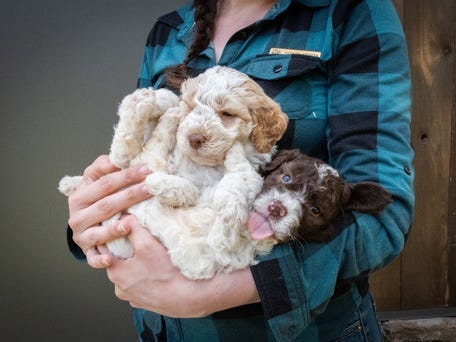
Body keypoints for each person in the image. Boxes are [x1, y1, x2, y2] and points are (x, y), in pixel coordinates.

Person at [65, 0, 414, 340]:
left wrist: (212, 290)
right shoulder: (169, 31)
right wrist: (97, 218)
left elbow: (383, 217)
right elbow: (146, 154)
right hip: (165, 331)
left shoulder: (351, 12)